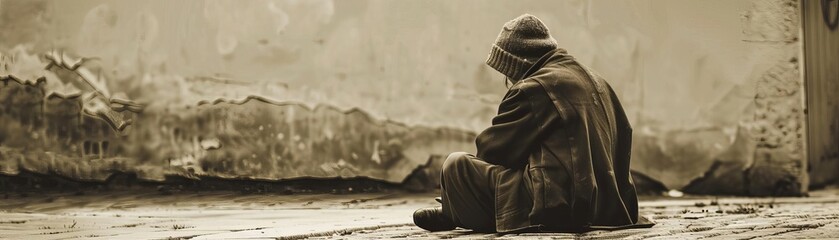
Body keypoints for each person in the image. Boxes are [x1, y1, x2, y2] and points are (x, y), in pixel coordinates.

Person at [413, 14, 653, 233]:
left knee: (457, 166)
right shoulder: (597, 80)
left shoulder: (535, 87)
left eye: (506, 73)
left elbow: (493, 151)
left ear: (515, 66)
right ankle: (455, 210)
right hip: (610, 206)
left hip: (559, 206)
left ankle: (454, 211)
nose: (507, 81)